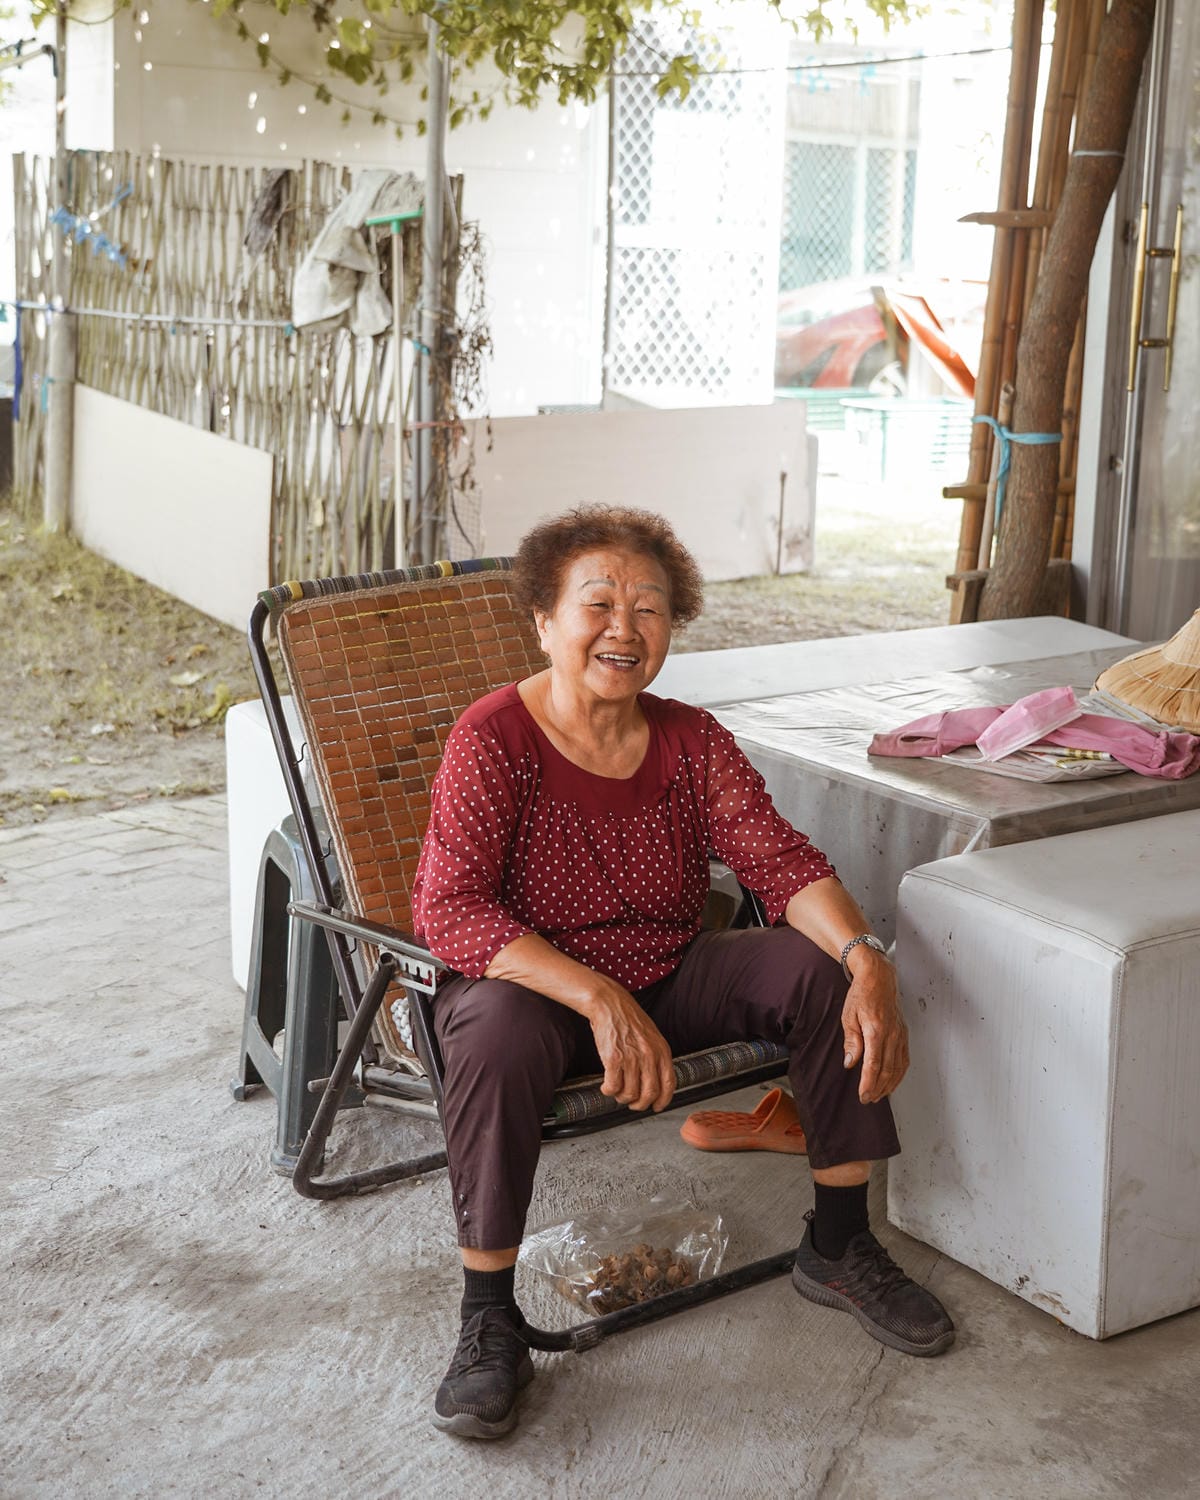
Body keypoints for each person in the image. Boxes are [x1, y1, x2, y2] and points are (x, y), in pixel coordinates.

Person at [413, 505, 954, 1440]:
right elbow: (449, 907)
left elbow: (777, 862)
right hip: (533, 990)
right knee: (492, 1035)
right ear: (544, 621)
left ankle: (838, 1242)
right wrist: (593, 993)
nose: (624, 628)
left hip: (669, 970)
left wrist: (867, 958)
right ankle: (488, 1317)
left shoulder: (690, 738)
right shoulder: (492, 736)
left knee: (819, 972)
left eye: (650, 608)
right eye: (599, 604)